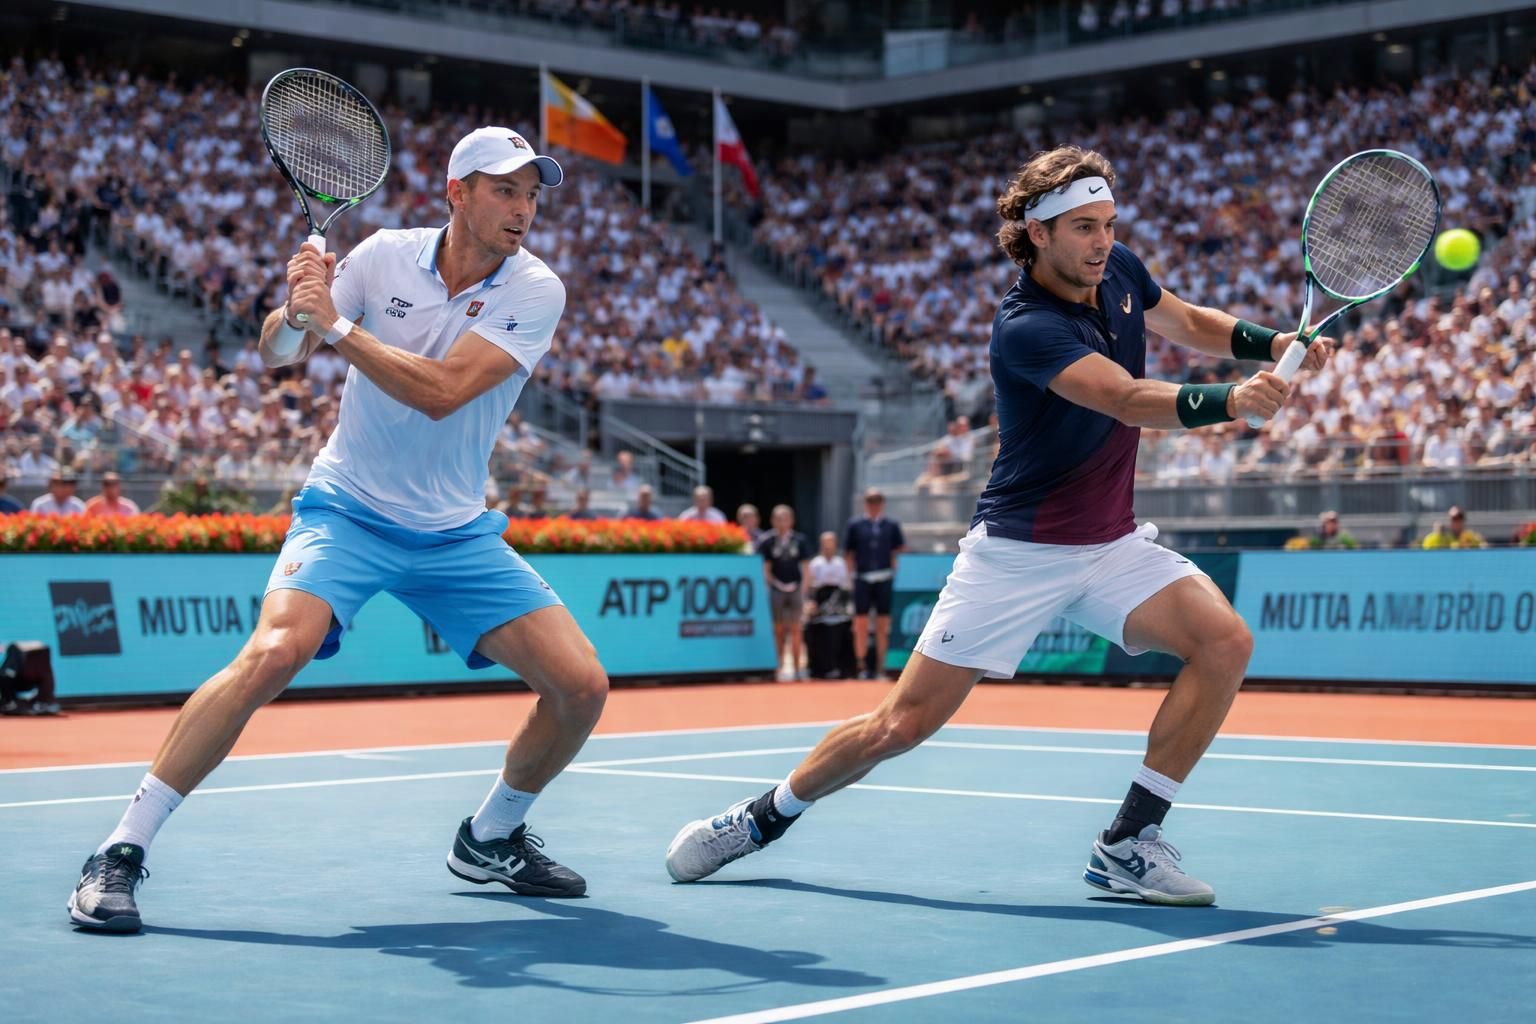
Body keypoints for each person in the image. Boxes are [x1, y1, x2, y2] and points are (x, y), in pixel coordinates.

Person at [665, 145, 1326, 907]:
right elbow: (1122, 397)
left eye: (1109, 223)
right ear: (1038, 234)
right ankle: (760, 818)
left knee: (1224, 642)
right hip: (1017, 553)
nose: (1103, 241)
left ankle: (1128, 842)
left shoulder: (1118, 270)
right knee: (901, 725)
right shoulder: (1026, 329)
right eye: (1084, 227)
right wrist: (1231, 402)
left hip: (1110, 545)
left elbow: (1184, 320)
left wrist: (1270, 343)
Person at [68, 126, 608, 933]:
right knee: (273, 653)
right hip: (349, 508)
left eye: (532, 194)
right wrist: (298, 313)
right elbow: (277, 353)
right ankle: (119, 850)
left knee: (581, 688)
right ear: (457, 193)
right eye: (505, 190)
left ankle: (490, 836)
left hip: (453, 532)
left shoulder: (535, 288)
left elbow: (443, 392)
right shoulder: (383, 255)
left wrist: (338, 328)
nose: (523, 208)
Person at [843, 487, 905, 679]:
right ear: (865, 503)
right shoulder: (855, 525)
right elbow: (848, 553)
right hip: (862, 578)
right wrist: (850, 577)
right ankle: (861, 665)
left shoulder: (891, 525)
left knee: (882, 624)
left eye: (877, 501)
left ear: (882, 503)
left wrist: (895, 572)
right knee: (860, 622)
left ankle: (880, 666)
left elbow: (899, 550)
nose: (873, 505)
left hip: (885, 578)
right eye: (870, 501)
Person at [759, 504, 813, 681]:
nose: (782, 523)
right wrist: (774, 584)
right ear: (772, 521)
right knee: (778, 629)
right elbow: (766, 568)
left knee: (797, 629)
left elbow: (805, 567)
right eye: (778, 519)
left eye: (785, 519)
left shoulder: (800, 540)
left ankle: (797, 669)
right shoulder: (767, 541)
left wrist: (803, 589)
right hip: (777, 589)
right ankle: (779, 667)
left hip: (796, 589)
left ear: (792, 521)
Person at [1420, 505, 1487, 549]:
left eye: (1460, 517)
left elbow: (1484, 547)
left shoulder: (1471, 537)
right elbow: (1426, 547)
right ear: (1449, 521)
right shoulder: (1443, 537)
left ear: (1464, 520)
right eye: (1454, 519)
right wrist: (1436, 534)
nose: (1457, 521)